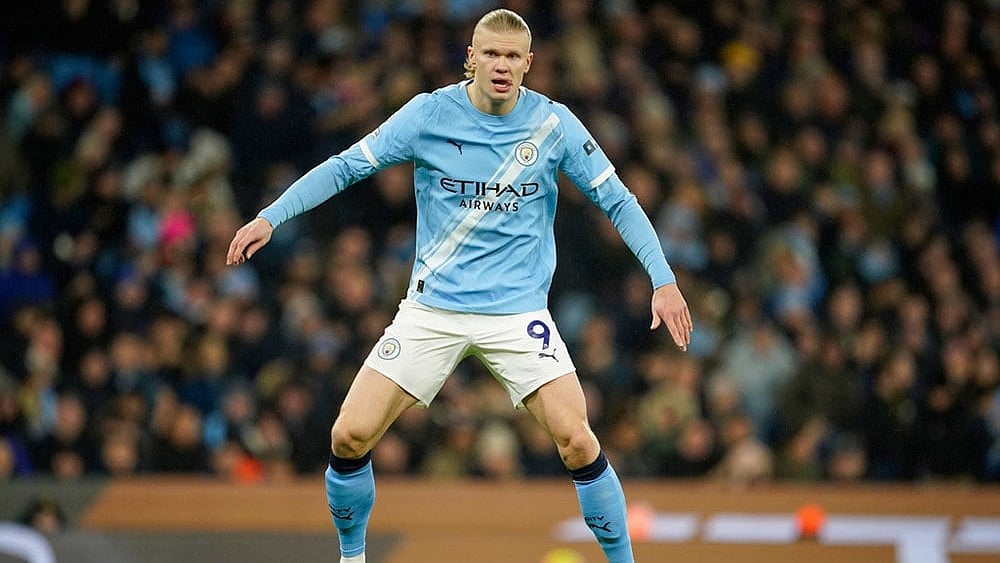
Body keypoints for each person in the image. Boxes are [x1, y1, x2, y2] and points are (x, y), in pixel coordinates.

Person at [226, 9, 692, 563]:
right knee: (348, 436)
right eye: (490, 54)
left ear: (528, 65)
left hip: (518, 315)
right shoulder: (429, 114)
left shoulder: (554, 125)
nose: (501, 65)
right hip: (432, 310)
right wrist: (270, 217)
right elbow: (348, 165)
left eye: (512, 56)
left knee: (577, 439)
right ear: (471, 57)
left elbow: (618, 200)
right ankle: (352, 558)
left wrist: (663, 280)